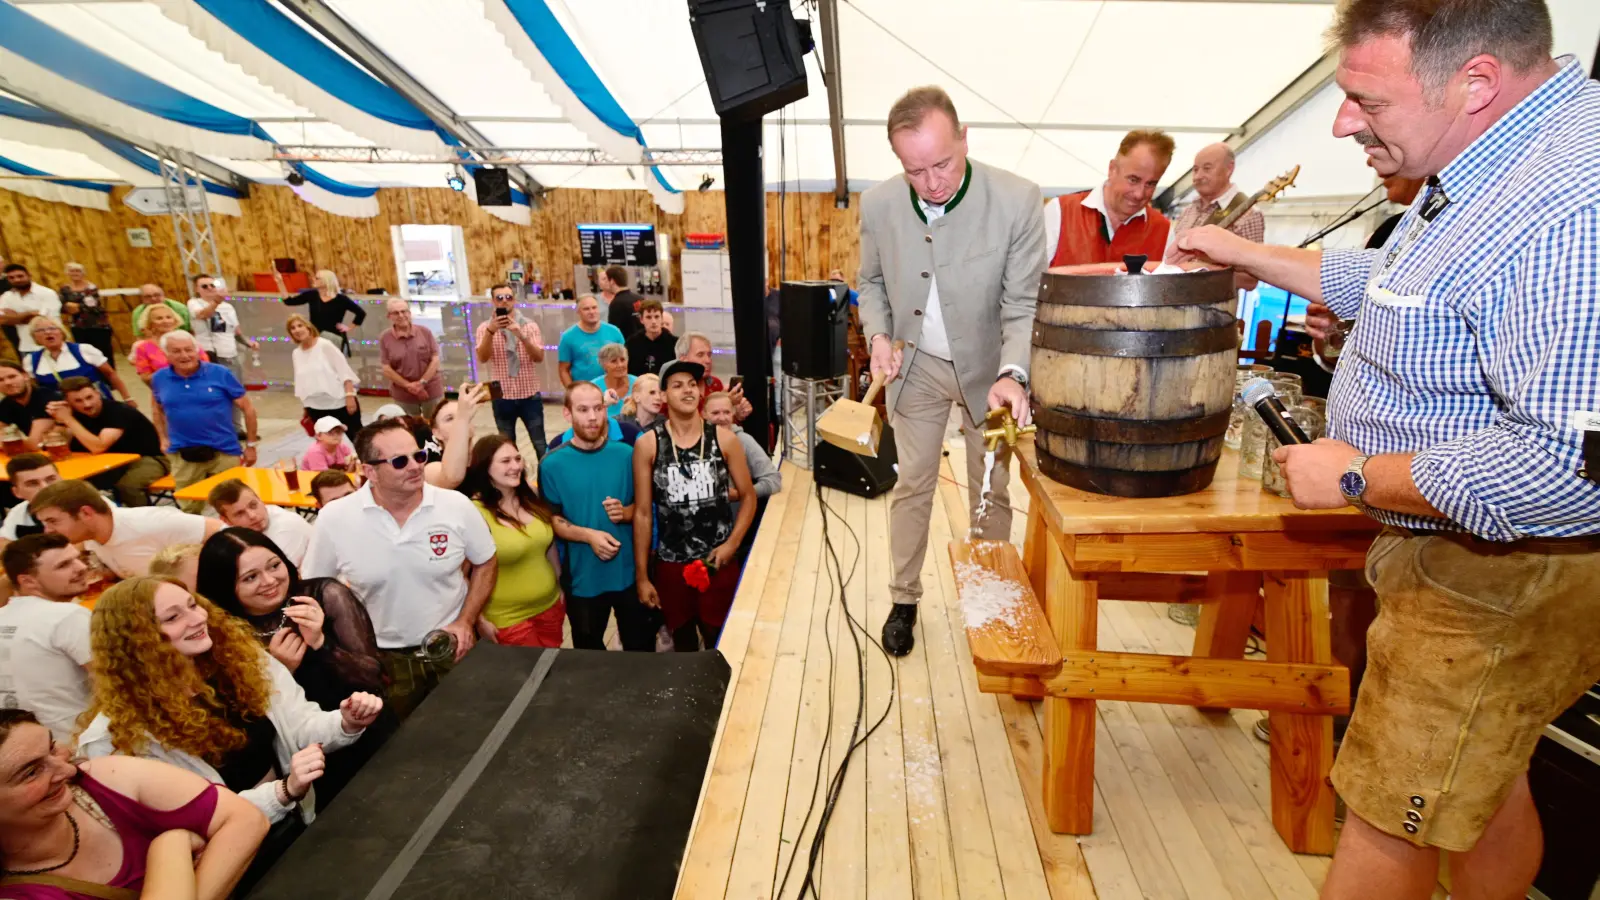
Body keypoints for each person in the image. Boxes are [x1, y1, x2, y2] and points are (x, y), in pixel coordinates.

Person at [1177, 2, 1600, 897]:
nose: (1341, 122)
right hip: (1459, 551)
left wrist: (1361, 474)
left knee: (1385, 812)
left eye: (1364, 99)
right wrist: (1245, 255)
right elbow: (1404, 281)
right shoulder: (1490, 161)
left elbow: (1569, 465)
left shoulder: (1567, 201)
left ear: (1475, 81)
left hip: (1499, 573)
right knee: (1483, 782)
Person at [857, 85, 1045, 656]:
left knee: (990, 488)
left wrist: (1013, 373)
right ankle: (904, 596)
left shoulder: (1017, 199)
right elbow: (869, 283)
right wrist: (878, 335)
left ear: (965, 138)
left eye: (942, 162)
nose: (932, 182)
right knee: (911, 484)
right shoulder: (879, 204)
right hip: (915, 368)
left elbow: (1024, 305)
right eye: (915, 170)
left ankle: (987, 594)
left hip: (991, 374)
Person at [77, 577, 382, 845]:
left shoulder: (244, 663)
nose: (197, 618)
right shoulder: (116, 738)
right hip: (235, 859)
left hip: (296, 825)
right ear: (137, 642)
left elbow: (300, 725)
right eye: (173, 617)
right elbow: (188, 820)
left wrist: (346, 722)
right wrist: (283, 791)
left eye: (193, 605)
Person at [301, 419, 497, 719]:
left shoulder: (455, 506)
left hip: (453, 649)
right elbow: (314, 588)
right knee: (402, 745)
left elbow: (486, 561)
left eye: (419, 456)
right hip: (384, 661)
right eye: (399, 461)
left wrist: (467, 620)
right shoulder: (335, 519)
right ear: (369, 471)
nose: (415, 466)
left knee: (472, 724)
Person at [196, 527, 392, 808]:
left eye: (274, 565)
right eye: (250, 577)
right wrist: (280, 672)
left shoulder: (324, 594)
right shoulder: (224, 636)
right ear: (226, 586)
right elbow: (242, 724)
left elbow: (377, 678)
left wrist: (322, 644)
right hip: (302, 761)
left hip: (364, 730)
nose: (269, 581)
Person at [0, 709, 268, 900]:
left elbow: (246, 820)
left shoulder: (101, 780)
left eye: (52, 748)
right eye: (32, 772)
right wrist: (171, 844)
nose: (67, 771)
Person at [633, 360, 756, 651]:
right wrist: (641, 576)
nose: (687, 390)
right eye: (677, 385)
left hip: (718, 561)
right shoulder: (648, 445)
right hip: (671, 564)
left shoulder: (725, 439)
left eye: (692, 384)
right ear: (663, 396)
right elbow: (641, 513)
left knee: (722, 642)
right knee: (683, 643)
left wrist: (732, 545)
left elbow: (748, 496)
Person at [540, 383, 653, 652]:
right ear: (567, 414)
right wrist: (588, 535)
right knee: (589, 660)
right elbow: (552, 520)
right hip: (583, 581)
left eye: (598, 408)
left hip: (629, 575)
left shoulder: (628, 455)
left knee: (641, 653)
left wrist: (626, 513)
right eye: (582, 410)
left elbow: (648, 508)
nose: (592, 417)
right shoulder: (552, 464)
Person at [458, 435, 563, 648]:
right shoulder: (474, 512)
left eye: (517, 458)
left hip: (550, 608)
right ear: (485, 467)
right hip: (507, 618)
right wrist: (477, 619)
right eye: (505, 461)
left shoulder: (531, 497)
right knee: (530, 676)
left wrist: (559, 588)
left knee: (549, 672)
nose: (515, 466)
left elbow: (548, 545)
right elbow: (462, 574)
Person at [149, 331, 258, 513]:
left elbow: (248, 408)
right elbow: (156, 409)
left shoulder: (220, 373)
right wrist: (162, 438)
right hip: (182, 454)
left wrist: (251, 444)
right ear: (166, 354)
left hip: (224, 451)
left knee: (236, 504)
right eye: (176, 351)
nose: (184, 355)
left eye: (189, 350)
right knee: (189, 508)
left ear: (197, 350)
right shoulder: (159, 378)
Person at [0, 534, 91, 743]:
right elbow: (122, 685)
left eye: (78, 558)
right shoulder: (67, 616)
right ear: (28, 581)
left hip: (27, 753)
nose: (81, 567)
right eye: (64, 565)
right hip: (80, 747)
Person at [30, 480, 220, 579]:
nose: (48, 530)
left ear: (86, 513)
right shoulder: (90, 536)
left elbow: (221, 530)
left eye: (53, 521)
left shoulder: (150, 523)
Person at [1044, 130, 1174, 267]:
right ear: (1112, 169)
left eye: (1151, 184)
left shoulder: (1165, 232)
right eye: (1133, 180)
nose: (1139, 194)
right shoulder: (1059, 212)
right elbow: (1032, 280)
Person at [47, 376, 168, 507]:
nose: (86, 404)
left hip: (149, 459)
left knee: (128, 486)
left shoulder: (117, 411)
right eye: (78, 401)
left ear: (97, 394)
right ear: (68, 402)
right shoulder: (73, 415)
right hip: (107, 463)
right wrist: (60, 420)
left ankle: (144, 522)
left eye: (89, 397)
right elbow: (58, 443)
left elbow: (98, 447)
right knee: (71, 486)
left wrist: (69, 420)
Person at [1163, 143, 1266, 291]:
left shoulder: (1249, 214)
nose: (1198, 176)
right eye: (1195, 169)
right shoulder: (1188, 211)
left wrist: (1203, 270)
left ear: (1229, 169)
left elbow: (1250, 280)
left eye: (1207, 168)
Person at [474, 283, 547, 461]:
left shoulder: (530, 326)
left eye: (508, 297)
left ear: (514, 300)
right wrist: (491, 331)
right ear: (492, 301)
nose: (504, 301)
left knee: (540, 444)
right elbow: (482, 358)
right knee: (507, 446)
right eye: (499, 298)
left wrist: (521, 335)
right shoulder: (484, 328)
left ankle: (548, 480)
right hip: (501, 396)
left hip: (529, 394)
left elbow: (538, 357)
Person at [23, 318, 134, 404]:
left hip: (96, 403)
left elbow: (110, 374)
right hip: (62, 410)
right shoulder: (31, 360)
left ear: (61, 332)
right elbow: (34, 390)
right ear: (35, 337)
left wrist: (127, 398)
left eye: (52, 328)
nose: (47, 332)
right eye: (41, 330)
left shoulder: (84, 350)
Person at [207, 480, 314, 568]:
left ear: (261, 500)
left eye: (253, 505)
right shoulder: (231, 533)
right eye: (240, 513)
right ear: (226, 521)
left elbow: (280, 577)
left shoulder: (286, 527)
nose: (252, 515)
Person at [286, 314, 362, 436]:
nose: (297, 330)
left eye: (300, 325)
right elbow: (302, 382)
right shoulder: (296, 353)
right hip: (315, 407)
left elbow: (344, 371)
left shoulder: (325, 345)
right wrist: (306, 407)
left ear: (308, 327)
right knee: (326, 444)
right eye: (293, 328)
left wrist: (350, 396)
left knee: (358, 439)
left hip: (339, 402)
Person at [187, 275, 257, 395]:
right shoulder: (194, 303)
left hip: (230, 354)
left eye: (212, 285)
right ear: (197, 290)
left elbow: (236, 331)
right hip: (209, 355)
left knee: (235, 391)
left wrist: (248, 342)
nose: (209, 288)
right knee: (214, 392)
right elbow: (203, 315)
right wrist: (216, 302)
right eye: (204, 286)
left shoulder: (228, 307)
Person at [704, 392, 782, 500]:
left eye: (727, 412)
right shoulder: (692, 442)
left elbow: (774, 479)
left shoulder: (743, 440)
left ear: (733, 414)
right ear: (703, 414)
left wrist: (741, 494)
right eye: (715, 413)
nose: (722, 418)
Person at [377, 298, 442, 417]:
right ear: (389, 316)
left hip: (431, 390)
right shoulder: (385, 338)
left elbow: (435, 359)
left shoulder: (425, 332)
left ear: (410, 313)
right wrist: (409, 386)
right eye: (396, 313)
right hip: (403, 394)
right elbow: (386, 368)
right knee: (410, 427)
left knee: (436, 423)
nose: (401, 315)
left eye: (404, 311)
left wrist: (422, 383)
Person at [278, 269, 365, 355]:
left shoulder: (341, 299)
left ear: (325, 281)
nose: (313, 279)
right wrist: (280, 282)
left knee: (331, 364)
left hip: (333, 337)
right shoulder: (312, 295)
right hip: (315, 336)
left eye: (317, 278)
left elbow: (361, 313)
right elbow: (288, 301)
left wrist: (348, 327)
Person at [422, 384, 487, 490]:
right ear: (437, 433)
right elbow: (451, 478)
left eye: (464, 415)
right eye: (450, 418)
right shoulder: (431, 467)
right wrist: (462, 418)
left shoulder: (487, 456)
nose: (459, 422)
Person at [675, 332, 751, 421]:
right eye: (700, 355)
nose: (708, 360)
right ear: (683, 360)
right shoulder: (675, 389)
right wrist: (725, 403)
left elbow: (723, 426)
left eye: (709, 355)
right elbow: (685, 426)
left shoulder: (715, 384)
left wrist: (735, 413)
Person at [557, 295, 624, 389]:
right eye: (586, 309)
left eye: (594, 307)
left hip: (614, 389)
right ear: (578, 312)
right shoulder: (568, 337)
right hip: (584, 391)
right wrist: (572, 392)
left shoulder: (614, 332)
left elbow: (625, 362)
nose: (592, 312)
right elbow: (563, 369)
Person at [130, 305, 204, 385]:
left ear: (175, 320)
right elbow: (146, 378)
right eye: (159, 318)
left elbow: (205, 366)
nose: (165, 321)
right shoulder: (143, 348)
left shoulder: (188, 340)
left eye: (168, 317)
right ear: (150, 323)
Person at [57, 262, 113, 364]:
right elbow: (60, 307)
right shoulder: (64, 289)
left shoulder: (91, 288)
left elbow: (95, 306)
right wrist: (68, 308)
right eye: (72, 271)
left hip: (98, 326)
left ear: (83, 273)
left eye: (77, 271)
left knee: (104, 354)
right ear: (67, 273)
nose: (75, 273)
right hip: (78, 327)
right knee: (85, 354)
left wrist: (77, 306)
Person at [0, 265, 61, 356]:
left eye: (20, 276)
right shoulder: (7, 296)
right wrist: (29, 313)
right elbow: (2, 320)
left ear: (29, 275)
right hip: (26, 347)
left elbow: (42, 320)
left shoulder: (46, 293)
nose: (16, 280)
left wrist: (15, 317)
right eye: (11, 278)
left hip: (51, 345)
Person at [0, 455, 57, 548]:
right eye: (33, 483)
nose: (45, 487)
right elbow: (4, 544)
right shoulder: (18, 512)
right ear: (17, 492)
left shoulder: (83, 504)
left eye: (51, 479)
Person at [0, 364, 59, 450]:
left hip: (77, 454)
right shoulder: (6, 403)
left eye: (12, 377)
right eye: (0, 380)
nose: (8, 383)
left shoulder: (46, 397)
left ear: (25, 376)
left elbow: (34, 445)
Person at [625, 298, 677, 377]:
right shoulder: (632, 343)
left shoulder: (674, 343)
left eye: (656, 317)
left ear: (661, 318)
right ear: (641, 320)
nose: (653, 321)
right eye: (648, 317)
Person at [598, 266, 644, 339]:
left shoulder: (616, 304)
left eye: (607, 279)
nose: (606, 283)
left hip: (626, 346)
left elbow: (613, 332)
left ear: (612, 281)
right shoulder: (640, 299)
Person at [592, 343, 635, 418]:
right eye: (614, 361)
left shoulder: (638, 383)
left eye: (622, 360)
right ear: (603, 365)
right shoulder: (593, 387)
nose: (620, 365)